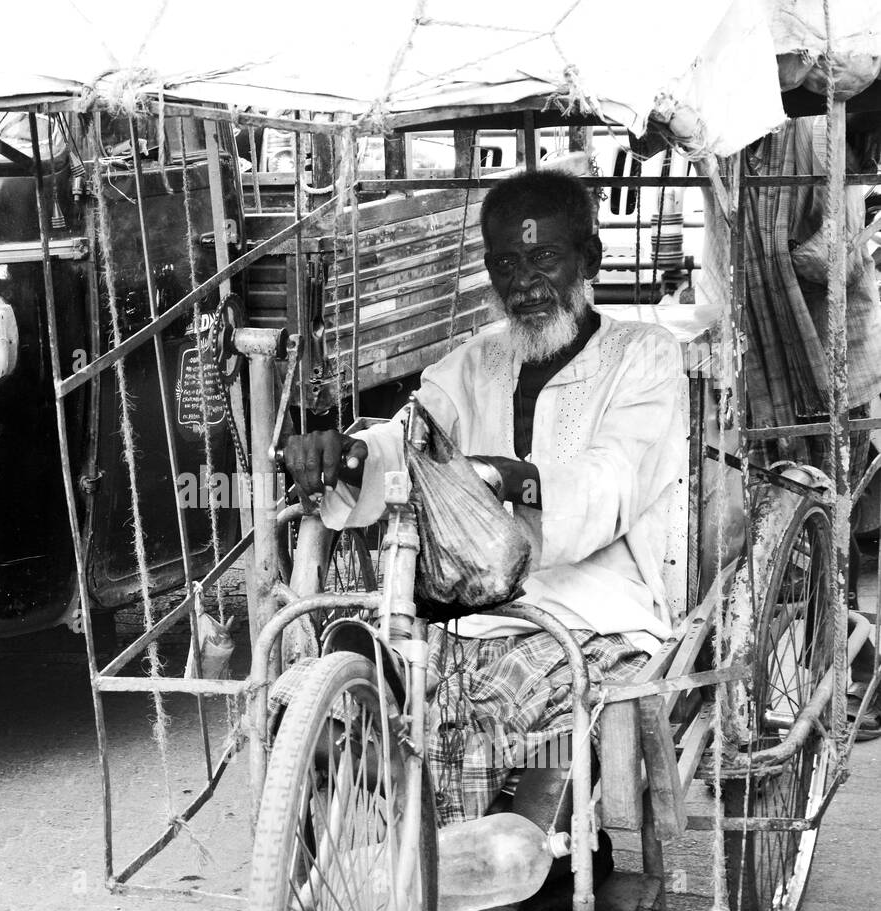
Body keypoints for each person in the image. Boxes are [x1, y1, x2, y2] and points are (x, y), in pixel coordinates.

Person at [278, 170, 688, 831]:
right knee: (368, 671)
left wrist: (511, 476)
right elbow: (407, 439)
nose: (524, 283)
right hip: (472, 607)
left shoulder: (644, 356)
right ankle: (432, 797)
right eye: (505, 263)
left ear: (591, 258)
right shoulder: (473, 363)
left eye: (544, 258)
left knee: (518, 711)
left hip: (593, 606)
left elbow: (611, 480)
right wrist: (348, 456)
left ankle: (486, 821)